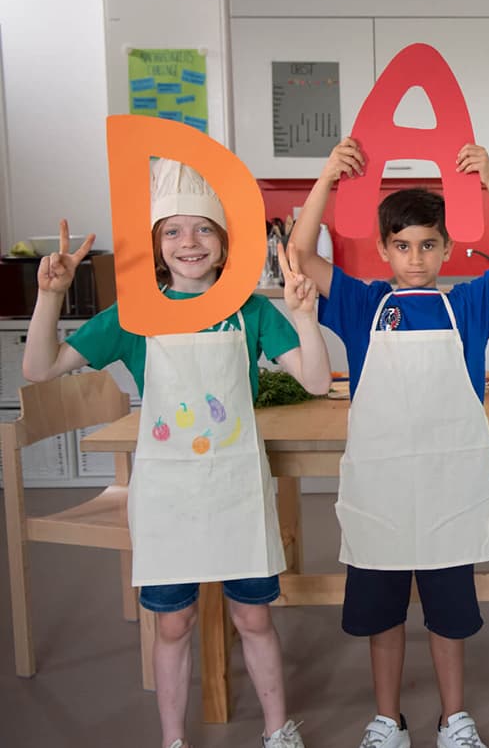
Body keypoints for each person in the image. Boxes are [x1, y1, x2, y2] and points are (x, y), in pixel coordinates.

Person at [22, 159, 331, 748]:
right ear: (157, 245)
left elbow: (316, 381)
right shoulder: (135, 313)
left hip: (236, 490)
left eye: (204, 228)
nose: (189, 242)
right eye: (173, 230)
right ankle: (172, 739)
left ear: (225, 242)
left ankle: (277, 730)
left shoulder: (251, 311)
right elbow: (40, 368)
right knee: (173, 624)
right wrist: (50, 298)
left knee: (254, 618)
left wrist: (304, 317)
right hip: (168, 497)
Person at [289, 138, 489, 748]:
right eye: (402, 246)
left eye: (428, 245)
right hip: (382, 488)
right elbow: (300, 252)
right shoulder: (362, 303)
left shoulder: (468, 305)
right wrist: (327, 177)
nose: (416, 257)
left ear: (447, 248)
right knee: (384, 614)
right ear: (382, 249)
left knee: (448, 617)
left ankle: (454, 719)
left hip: (449, 489)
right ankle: (387, 720)